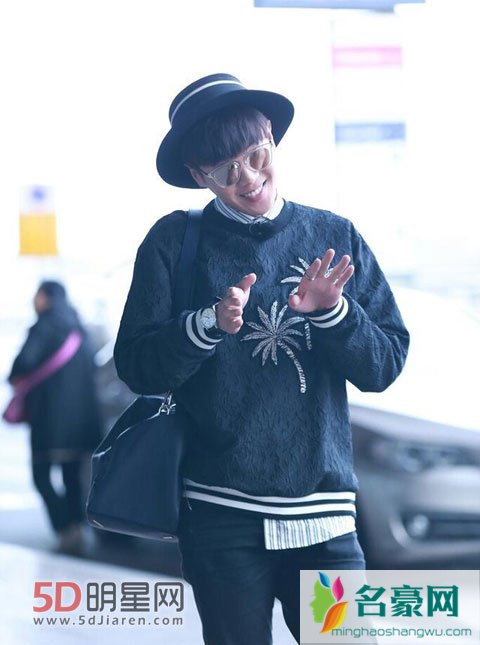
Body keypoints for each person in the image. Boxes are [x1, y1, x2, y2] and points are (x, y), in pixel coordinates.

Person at [114, 73, 409, 644]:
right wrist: (206, 325)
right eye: (224, 171)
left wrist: (333, 313)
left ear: (271, 136)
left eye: (255, 156)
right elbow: (137, 367)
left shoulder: (334, 235)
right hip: (219, 517)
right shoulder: (173, 242)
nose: (247, 178)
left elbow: (384, 366)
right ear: (198, 176)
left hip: (324, 518)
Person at [8, 280, 102, 552]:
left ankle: (63, 527)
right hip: (80, 422)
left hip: (48, 420)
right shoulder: (79, 329)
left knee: (41, 475)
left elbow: (23, 363)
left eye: (37, 295)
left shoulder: (44, 326)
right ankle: (77, 527)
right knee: (72, 477)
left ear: (46, 296)